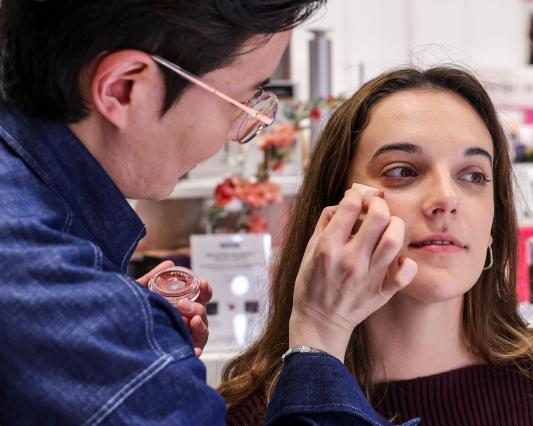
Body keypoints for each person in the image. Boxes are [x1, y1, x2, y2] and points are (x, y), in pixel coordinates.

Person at [0, 1, 419, 424]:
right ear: (123, 89)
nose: (239, 134)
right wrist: (318, 335)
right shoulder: (71, 303)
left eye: (474, 175)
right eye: (239, 101)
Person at [220, 66, 533, 425]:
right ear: (336, 207)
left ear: (493, 222)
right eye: (402, 171)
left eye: (474, 176)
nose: (447, 198)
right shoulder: (259, 414)